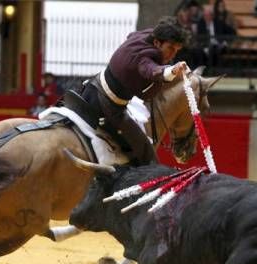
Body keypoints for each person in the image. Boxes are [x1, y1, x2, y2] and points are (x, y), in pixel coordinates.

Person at [79, 16, 189, 165]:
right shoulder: (144, 57)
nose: (172, 55)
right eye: (170, 48)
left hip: (91, 87)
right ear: (157, 42)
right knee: (146, 152)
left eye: (176, 50)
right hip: (108, 105)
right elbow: (152, 71)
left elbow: (130, 36)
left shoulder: (146, 35)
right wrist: (172, 70)